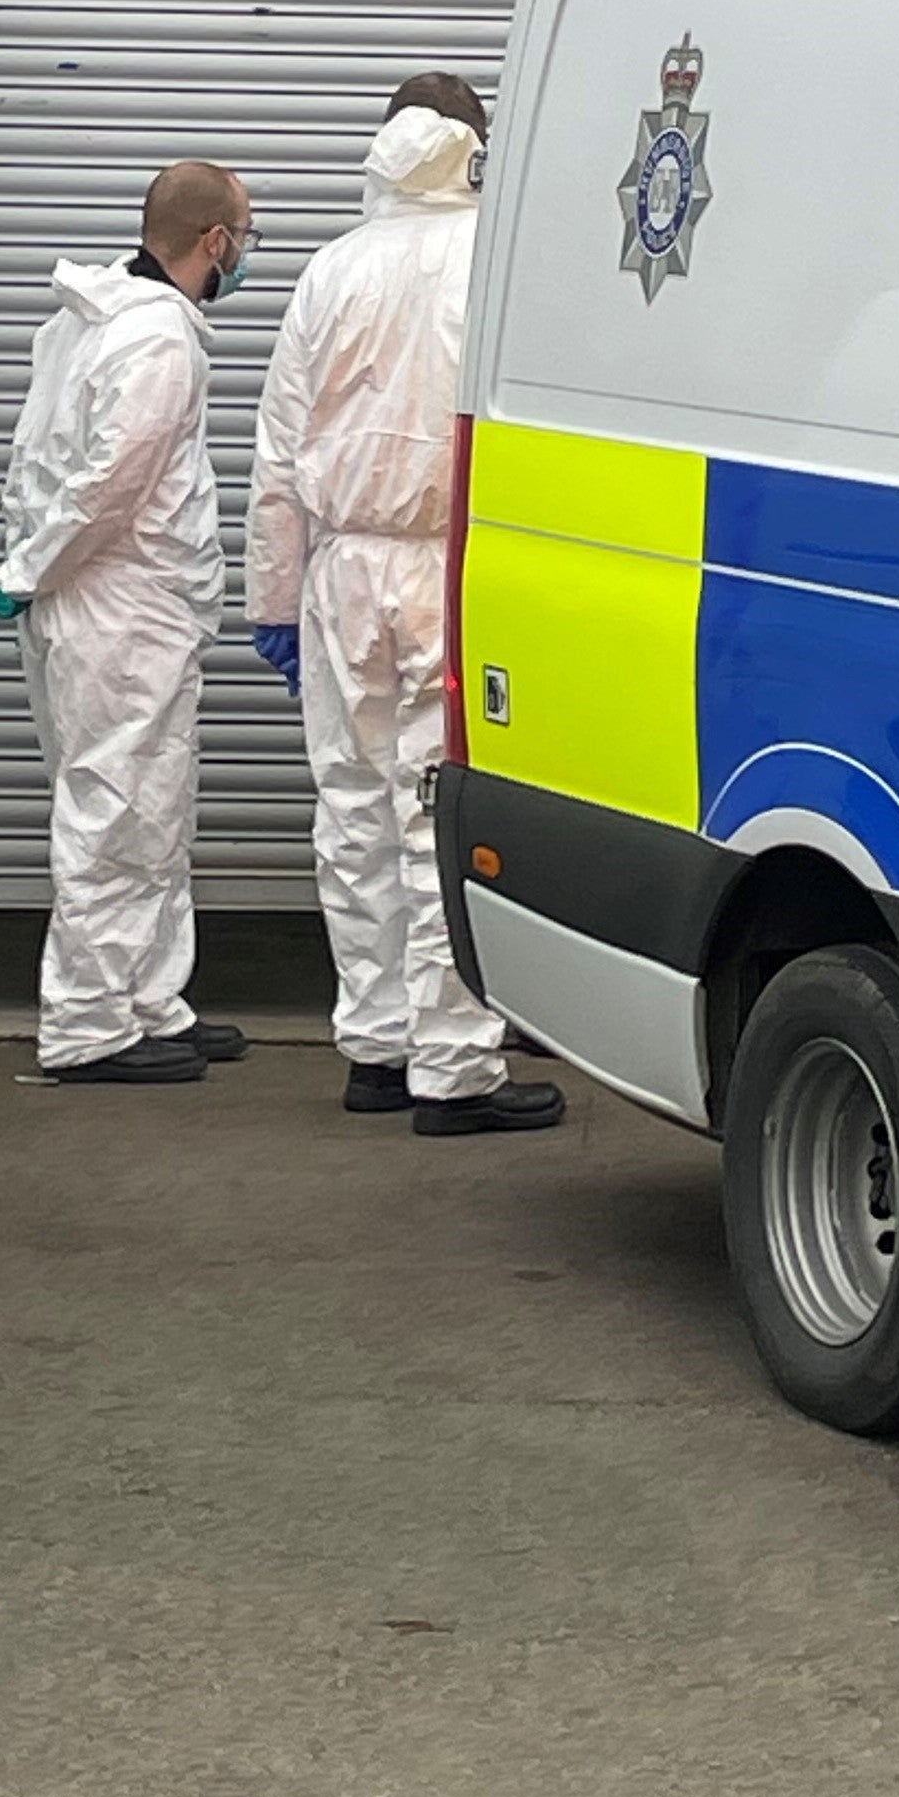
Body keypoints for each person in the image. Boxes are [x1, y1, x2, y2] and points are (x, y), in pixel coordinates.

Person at [246, 76, 563, 1139]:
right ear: (474, 148)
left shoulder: (330, 269)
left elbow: (278, 452)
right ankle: (455, 1066)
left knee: (350, 809)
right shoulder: (494, 259)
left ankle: (375, 1044)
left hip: (341, 571)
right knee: (441, 811)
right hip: (446, 568)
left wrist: (275, 599)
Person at [0, 160, 258, 1087]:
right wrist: (29, 570)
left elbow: (39, 461)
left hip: (109, 604)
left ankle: (148, 1001)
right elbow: (109, 485)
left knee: (148, 810)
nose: (247, 254)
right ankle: (91, 1024)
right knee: (114, 810)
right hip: (122, 608)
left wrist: (29, 570)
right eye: (244, 236)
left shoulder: (86, 323)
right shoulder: (156, 343)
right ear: (213, 241)